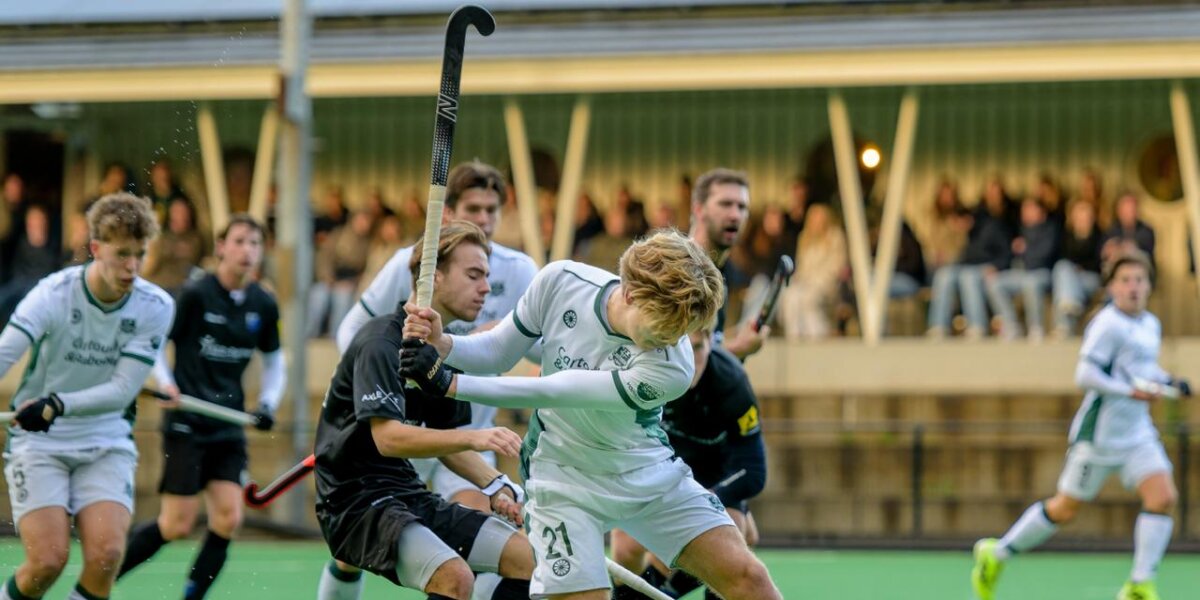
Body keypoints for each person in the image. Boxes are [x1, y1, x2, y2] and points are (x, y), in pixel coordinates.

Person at [401, 230, 782, 600]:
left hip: (646, 471)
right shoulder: (559, 282)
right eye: (662, 328)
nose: (670, 341)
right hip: (561, 480)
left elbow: (558, 389)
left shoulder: (674, 367)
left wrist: (447, 381)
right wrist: (444, 345)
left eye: (680, 331)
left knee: (749, 578)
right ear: (630, 292)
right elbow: (499, 350)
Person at [323, 162, 538, 599]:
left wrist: (498, 484)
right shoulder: (379, 342)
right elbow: (388, 439)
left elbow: (448, 441)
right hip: (358, 499)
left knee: (529, 560)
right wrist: (478, 438)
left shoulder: (440, 352)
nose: (486, 290)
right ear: (434, 276)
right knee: (454, 577)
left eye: (487, 277)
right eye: (474, 276)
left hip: (406, 487)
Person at [971, 250, 1190, 600]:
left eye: (1139, 280)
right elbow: (1085, 375)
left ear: (1149, 286)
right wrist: (1129, 392)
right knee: (1064, 508)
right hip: (1098, 438)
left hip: (1137, 434)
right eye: (1125, 280)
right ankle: (996, 554)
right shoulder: (1106, 324)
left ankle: (1138, 585)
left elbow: (1142, 369)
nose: (1133, 287)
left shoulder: (1150, 323)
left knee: (1163, 497)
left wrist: (1170, 382)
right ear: (1112, 287)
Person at [0, 193, 175, 600]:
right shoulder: (53, 293)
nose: (132, 267)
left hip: (105, 438)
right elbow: (5, 352)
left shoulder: (156, 306)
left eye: (140, 254)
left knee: (107, 555)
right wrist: (50, 409)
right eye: (122, 254)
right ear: (96, 248)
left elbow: (122, 390)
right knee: (48, 561)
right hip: (40, 441)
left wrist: (57, 404)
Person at [116, 214, 284, 599]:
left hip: (228, 425)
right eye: (239, 241)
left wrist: (268, 403)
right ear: (221, 247)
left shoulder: (263, 303)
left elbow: (276, 361)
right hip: (187, 422)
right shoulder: (194, 294)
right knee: (176, 524)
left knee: (228, 518)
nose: (247, 251)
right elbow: (157, 344)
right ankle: (102, 580)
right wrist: (166, 384)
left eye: (255, 243)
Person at [610, 329, 767, 600]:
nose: (691, 360)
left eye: (697, 348)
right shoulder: (644, 372)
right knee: (624, 547)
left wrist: (706, 502)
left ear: (711, 341)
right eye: (681, 348)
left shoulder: (732, 383)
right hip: (663, 468)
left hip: (717, 474)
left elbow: (753, 470)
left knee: (732, 539)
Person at [690, 168, 768, 360]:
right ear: (699, 209)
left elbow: (707, 343)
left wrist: (736, 338)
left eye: (742, 207)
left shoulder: (722, 271)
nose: (735, 215)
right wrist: (738, 348)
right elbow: (680, 359)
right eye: (725, 204)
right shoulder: (680, 270)